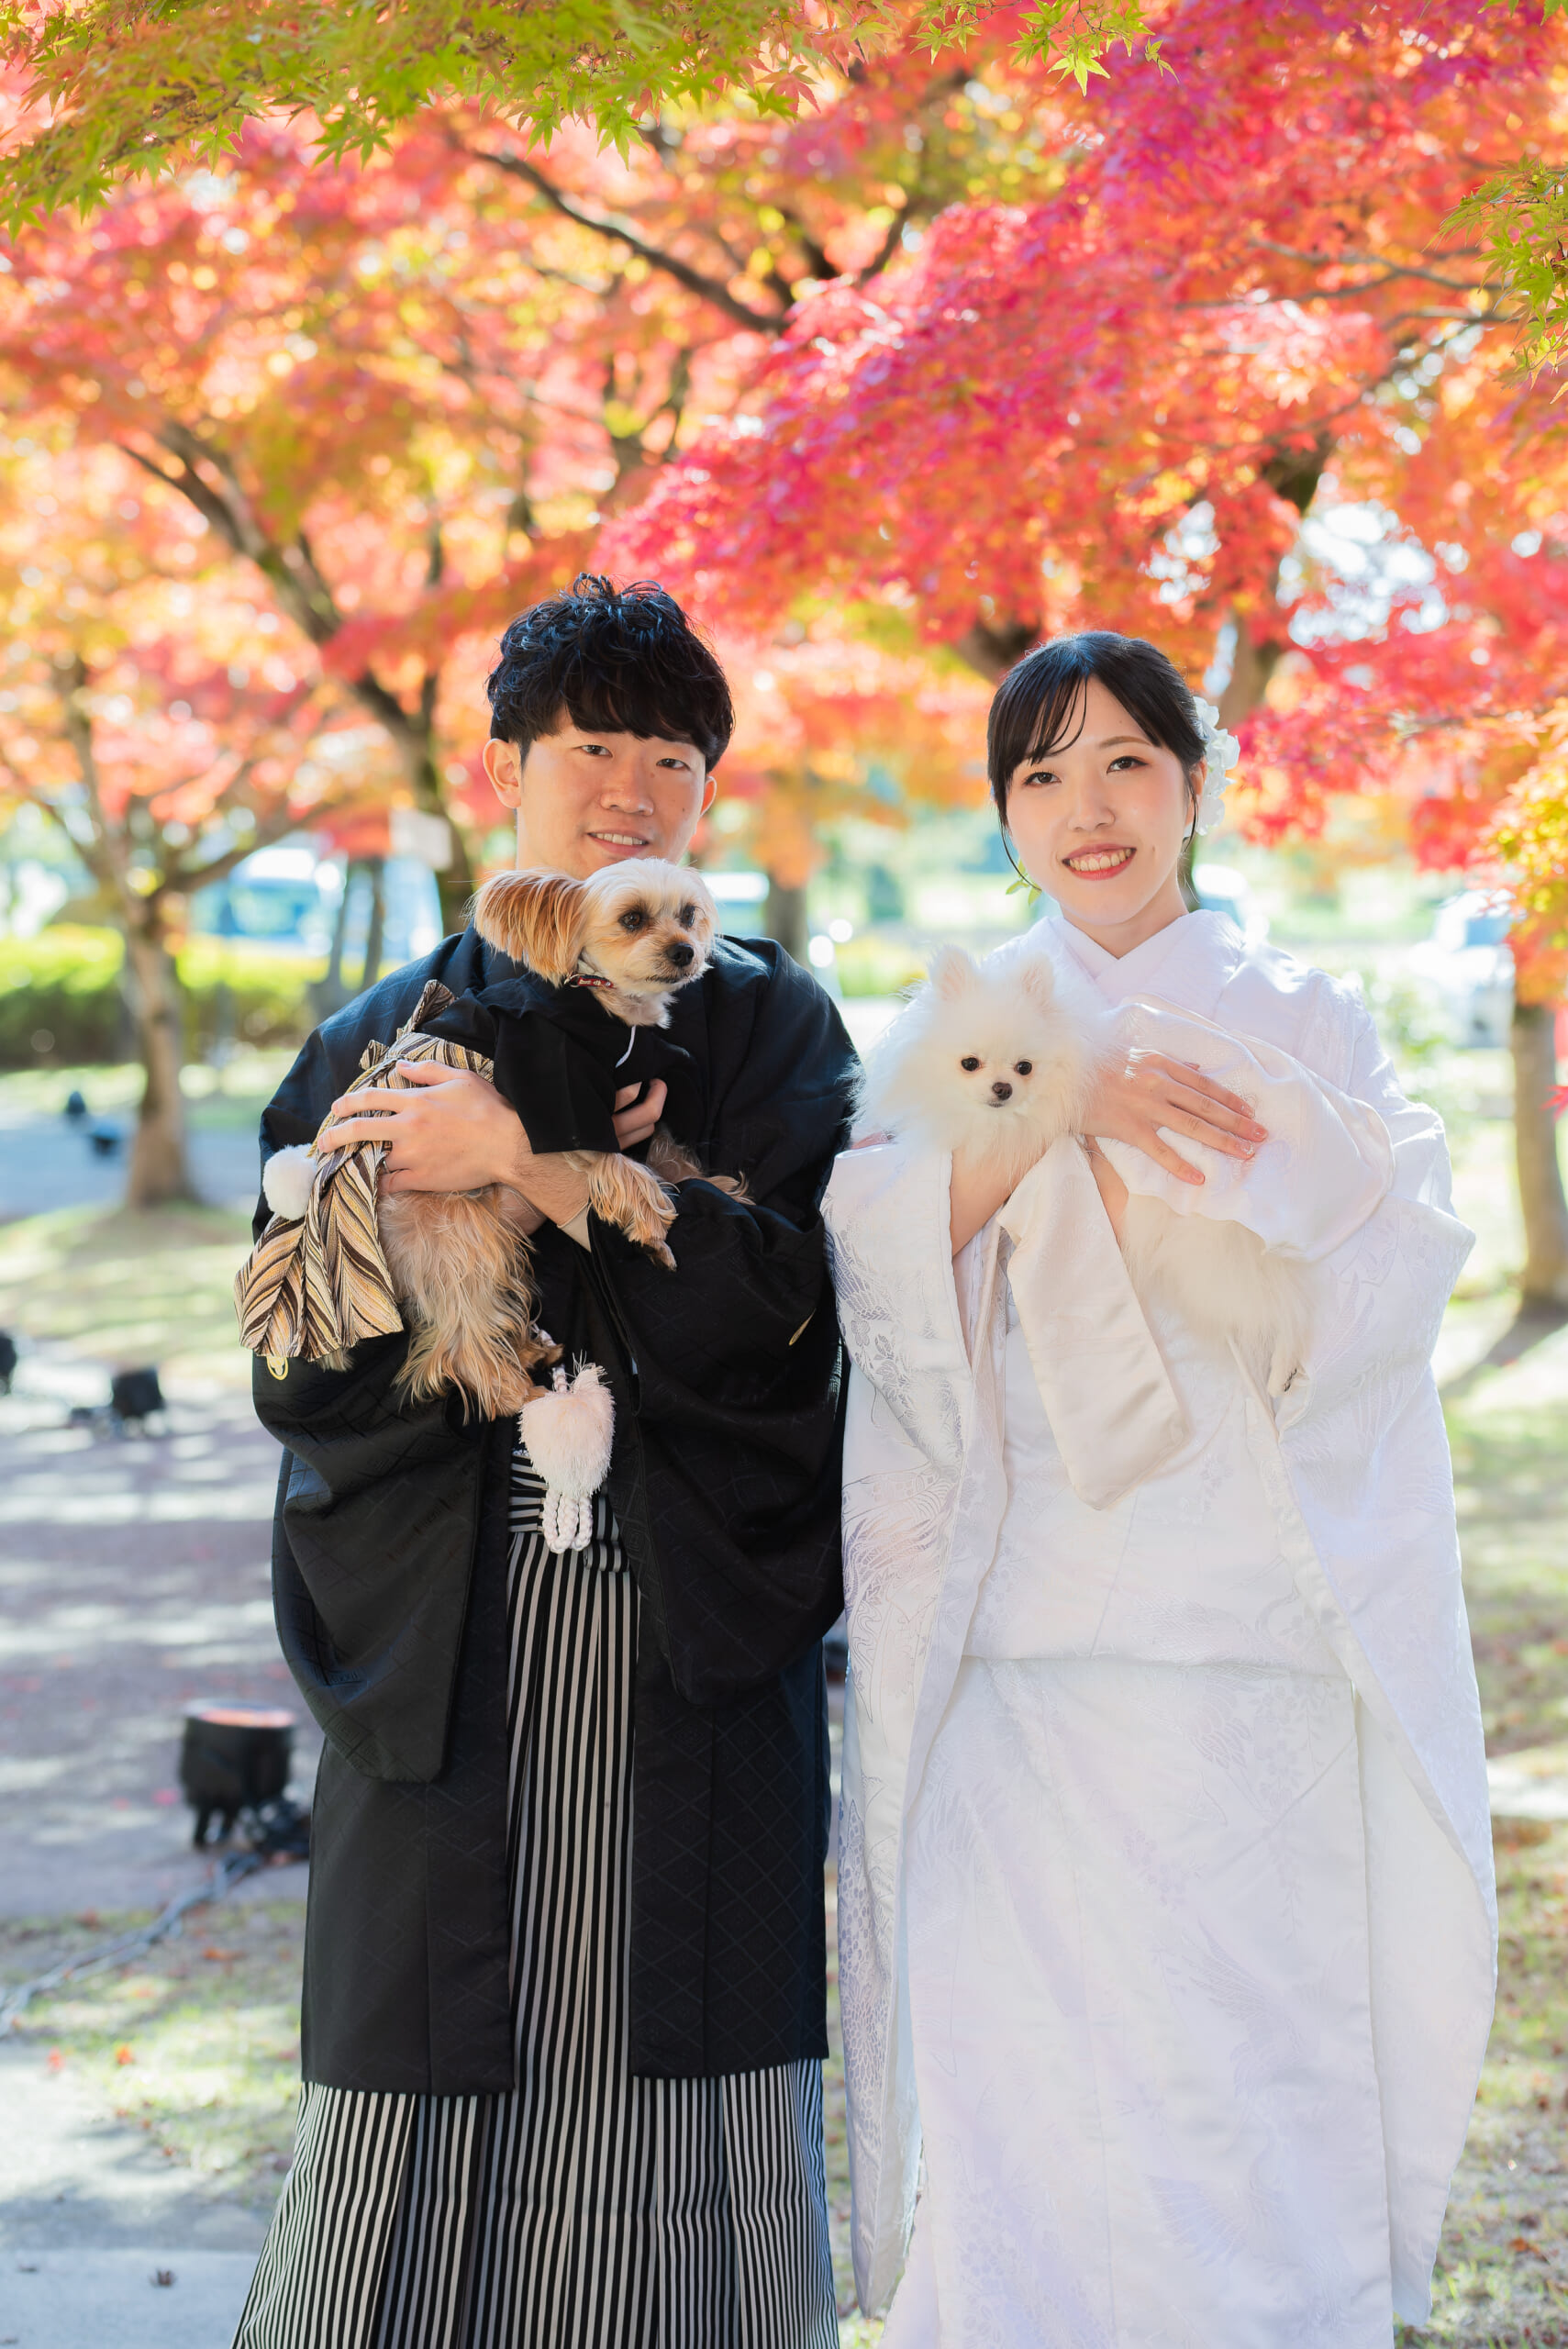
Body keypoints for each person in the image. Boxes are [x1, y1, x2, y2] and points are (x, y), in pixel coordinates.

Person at [824, 631, 1495, 2345]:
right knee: (1025, 2104)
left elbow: (1392, 1263)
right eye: (1039, 775)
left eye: (1126, 761)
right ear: (1003, 816)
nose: (1088, 807)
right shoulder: (962, 1016)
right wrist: (1061, 1102)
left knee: (1243, 2087)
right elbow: (873, 1267)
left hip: (1240, 1634)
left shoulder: (1302, 1013)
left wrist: (1274, 1187)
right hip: (1019, 1645)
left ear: (1195, 784)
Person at [234, 575, 853, 2349]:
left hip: (683, 1604)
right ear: (505, 768)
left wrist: (524, 1158)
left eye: (673, 758)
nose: (632, 791)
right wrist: (414, 1218)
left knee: (678, 2051)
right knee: (422, 2068)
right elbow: (299, 1361)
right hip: (450, 1600)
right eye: (592, 747)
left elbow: (797, 1307)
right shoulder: (379, 1029)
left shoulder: (769, 1026)